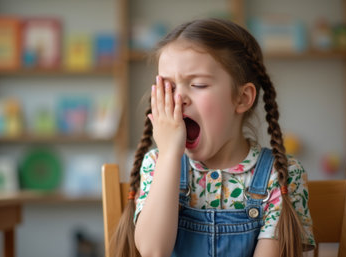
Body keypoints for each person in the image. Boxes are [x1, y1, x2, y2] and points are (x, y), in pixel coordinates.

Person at [111, 18, 315, 257]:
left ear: (241, 98)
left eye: (197, 84)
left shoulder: (281, 175)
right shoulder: (157, 165)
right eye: (169, 87)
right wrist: (168, 156)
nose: (179, 99)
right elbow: (153, 251)